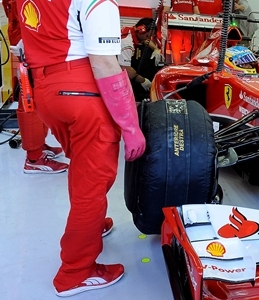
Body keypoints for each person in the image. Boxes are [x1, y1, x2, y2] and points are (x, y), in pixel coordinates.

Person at [15, 0, 146, 296]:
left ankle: (92, 225)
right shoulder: (98, 3)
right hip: (82, 93)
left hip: (47, 92)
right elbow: (105, 64)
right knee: (93, 184)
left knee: (82, 167)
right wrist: (130, 126)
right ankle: (75, 272)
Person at [3, 0, 68, 174]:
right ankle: (34, 158)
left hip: (32, 40)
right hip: (28, 42)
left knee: (37, 97)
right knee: (30, 98)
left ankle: (39, 145)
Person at [119, 18, 164, 101]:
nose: (147, 39)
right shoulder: (127, 43)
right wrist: (143, 81)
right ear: (141, 30)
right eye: (147, 36)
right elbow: (125, 68)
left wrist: (155, 49)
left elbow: (145, 40)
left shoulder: (131, 30)